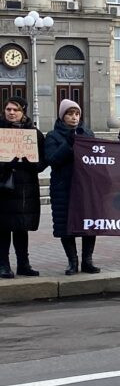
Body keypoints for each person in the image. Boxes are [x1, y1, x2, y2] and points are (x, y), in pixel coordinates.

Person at [44, 99, 100, 275]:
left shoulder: (88, 134)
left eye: (77, 114)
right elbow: (52, 159)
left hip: (85, 188)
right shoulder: (53, 136)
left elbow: (98, 158)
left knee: (89, 224)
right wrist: (68, 143)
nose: (74, 117)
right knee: (65, 226)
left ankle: (87, 261)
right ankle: (72, 262)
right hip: (63, 188)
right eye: (70, 113)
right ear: (62, 116)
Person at [0, 96, 46, 278]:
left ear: (23, 112)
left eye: (15, 110)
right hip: (4, 188)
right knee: (2, 228)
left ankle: (23, 265)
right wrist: (4, 164)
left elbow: (44, 160)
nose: (11, 113)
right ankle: (3, 265)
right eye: (8, 109)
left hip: (26, 189)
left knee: (21, 227)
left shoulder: (34, 133)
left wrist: (32, 163)